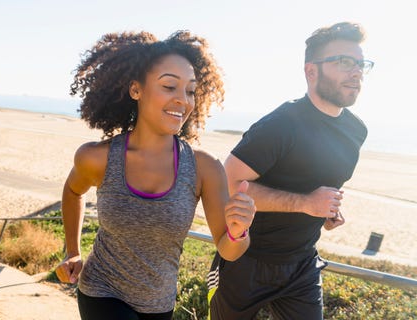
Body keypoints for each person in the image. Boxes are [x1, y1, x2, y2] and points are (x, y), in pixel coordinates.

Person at [55, 30, 256, 320]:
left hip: (158, 305)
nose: (183, 101)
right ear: (136, 90)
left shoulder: (204, 168)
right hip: (102, 291)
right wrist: (72, 251)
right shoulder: (97, 157)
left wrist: (239, 231)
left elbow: (229, 251)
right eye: (169, 86)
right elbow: (73, 191)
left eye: (189, 91)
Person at [210, 22, 373, 319]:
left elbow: (318, 182)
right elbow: (230, 183)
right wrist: (306, 203)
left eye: (361, 64)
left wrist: (326, 211)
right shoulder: (281, 124)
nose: (357, 72)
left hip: (302, 264)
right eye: (345, 62)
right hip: (246, 259)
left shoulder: (356, 130)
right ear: (312, 71)